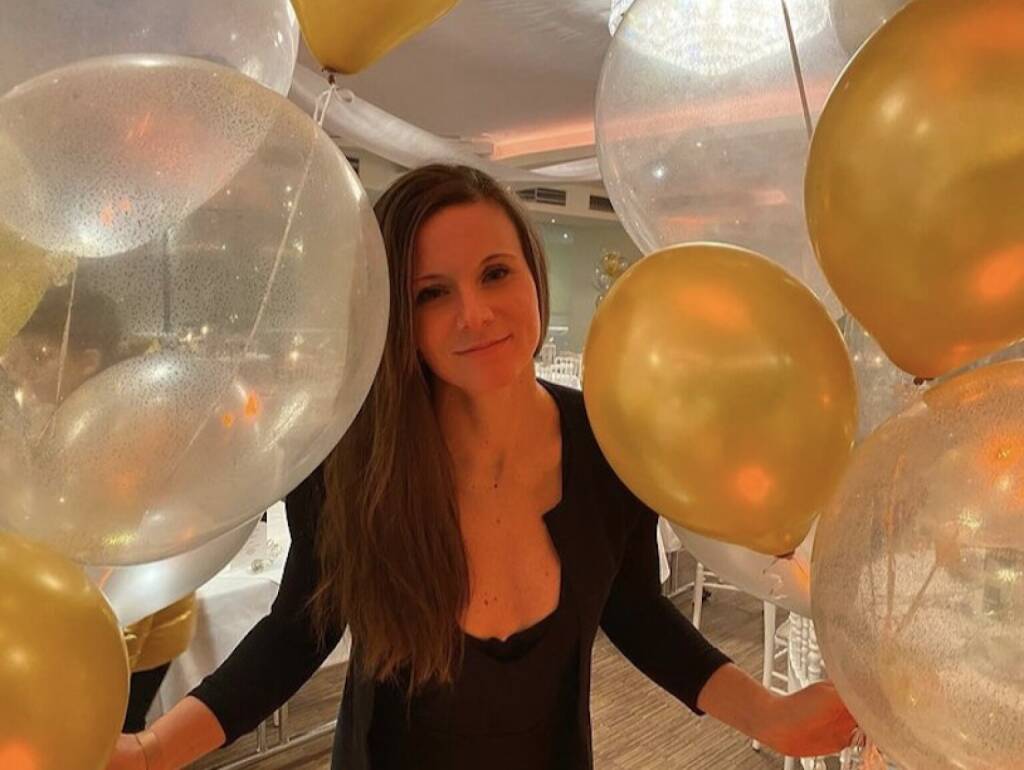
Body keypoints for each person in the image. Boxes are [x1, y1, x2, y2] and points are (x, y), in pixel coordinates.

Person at [107, 164, 856, 770]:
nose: (475, 314)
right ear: (396, 316)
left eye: (495, 274)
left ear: (533, 276)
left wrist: (768, 714)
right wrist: (152, 751)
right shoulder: (355, 458)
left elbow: (636, 611)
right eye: (432, 293)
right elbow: (298, 631)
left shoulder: (607, 440)